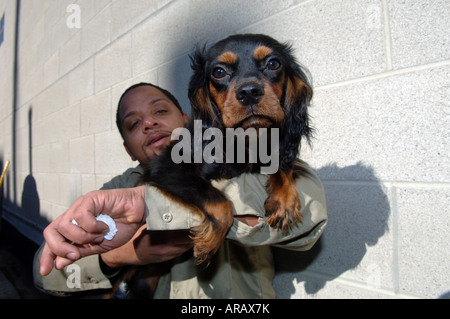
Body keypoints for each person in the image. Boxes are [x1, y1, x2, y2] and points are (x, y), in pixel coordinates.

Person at [34, 82, 327, 298]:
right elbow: (44, 271)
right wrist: (119, 256)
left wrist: (161, 207)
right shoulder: (119, 191)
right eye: (134, 124)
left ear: (187, 122)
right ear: (129, 150)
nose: (149, 123)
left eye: (160, 110)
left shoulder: (241, 154)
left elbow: (311, 213)